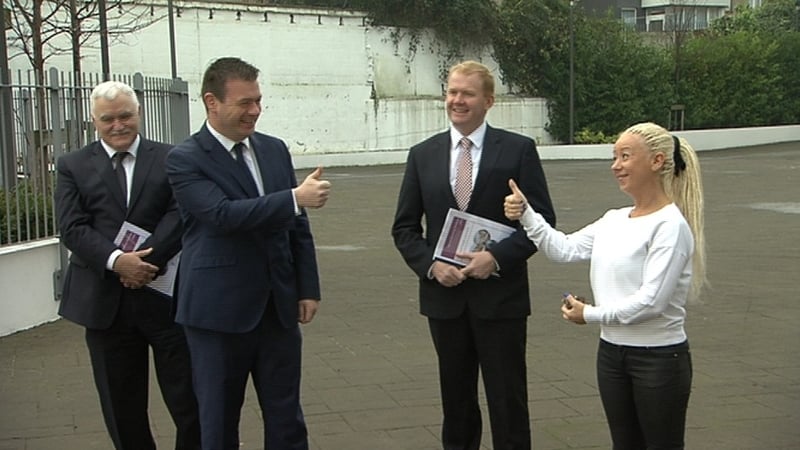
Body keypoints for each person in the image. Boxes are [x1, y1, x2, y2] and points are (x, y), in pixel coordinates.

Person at [504, 122, 707, 450]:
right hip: (612, 354)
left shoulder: (670, 226)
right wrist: (527, 214)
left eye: (625, 156)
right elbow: (563, 248)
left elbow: (651, 302)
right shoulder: (614, 218)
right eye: (614, 156)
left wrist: (591, 314)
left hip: (658, 360)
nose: (616, 165)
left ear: (656, 161)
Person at [165, 57, 331, 450]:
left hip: (278, 308)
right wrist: (293, 197)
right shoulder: (185, 158)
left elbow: (297, 227)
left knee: (286, 418)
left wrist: (307, 287)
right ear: (212, 102)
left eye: (258, 100)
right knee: (219, 421)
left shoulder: (273, 150)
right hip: (217, 314)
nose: (254, 111)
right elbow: (221, 216)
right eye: (244, 103)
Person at [391, 60, 555, 450]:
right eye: (451, 91)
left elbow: (542, 220)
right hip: (445, 301)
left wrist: (496, 258)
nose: (457, 100)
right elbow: (404, 228)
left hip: (500, 299)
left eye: (467, 93)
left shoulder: (518, 150)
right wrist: (431, 265)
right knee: (457, 404)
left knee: (508, 402)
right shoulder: (422, 155)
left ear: (489, 101)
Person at [54, 80, 201, 450]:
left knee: (191, 400)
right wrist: (119, 262)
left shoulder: (173, 157)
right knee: (122, 406)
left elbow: (181, 212)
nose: (118, 125)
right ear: (94, 121)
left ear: (138, 114)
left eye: (125, 116)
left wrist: (146, 261)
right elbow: (71, 227)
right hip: (105, 304)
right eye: (108, 119)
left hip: (166, 297)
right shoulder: (72, 165)